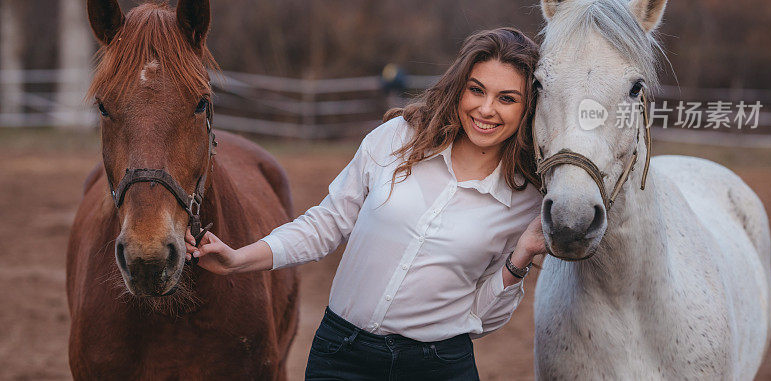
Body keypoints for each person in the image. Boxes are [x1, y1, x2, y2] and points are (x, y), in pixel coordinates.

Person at [185, 27, 546, 380]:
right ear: (459, 88)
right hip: (342, 356)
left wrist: (521, 257)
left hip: (438, 364)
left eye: (506, 98)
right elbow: (326, 224)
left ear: (528, 108)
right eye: (476, 90)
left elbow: (479, 318)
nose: (486, 109)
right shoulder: (399, 138)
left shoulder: (526, 201)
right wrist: (236, 259)